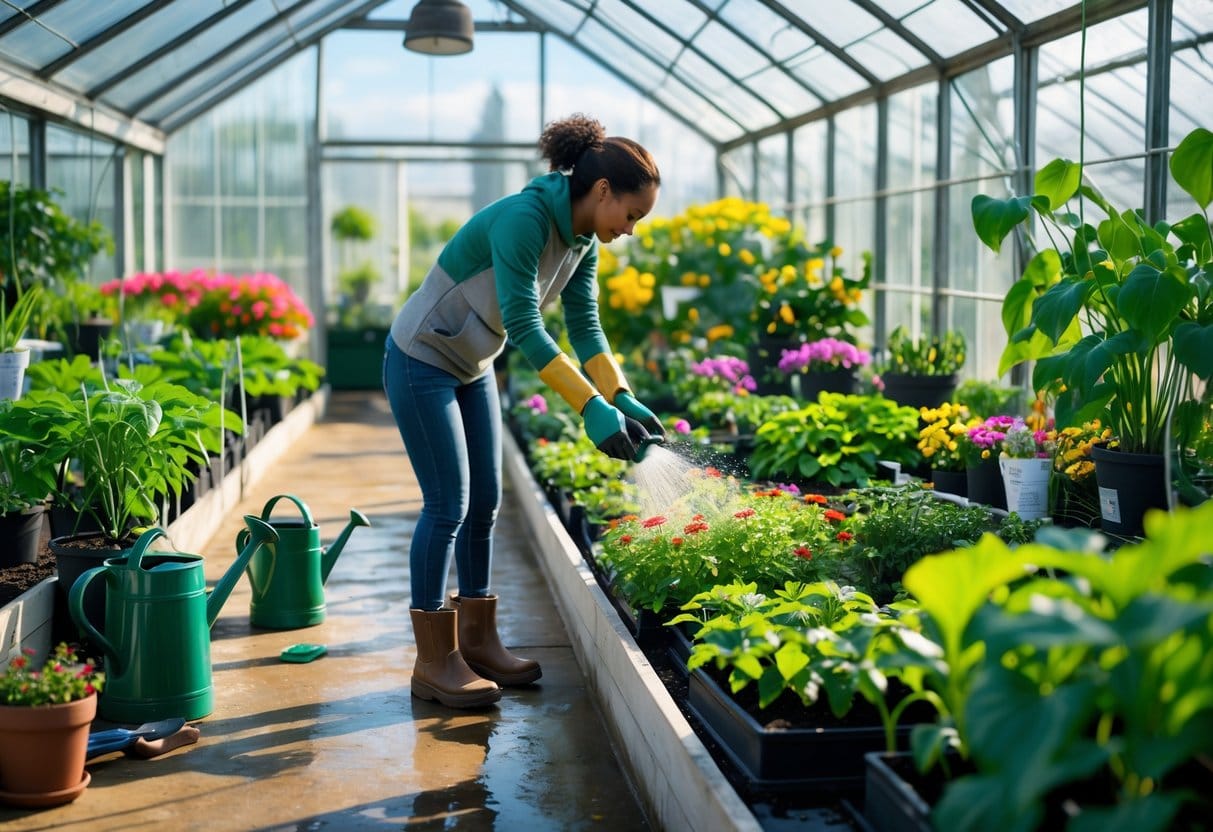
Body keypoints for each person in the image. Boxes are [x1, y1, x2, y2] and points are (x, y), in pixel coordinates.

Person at [383, 114, 666, 709]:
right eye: (632, 215)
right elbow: (524, 324)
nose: (630, 229)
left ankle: (477, 642)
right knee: (448, 504)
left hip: (471, 364)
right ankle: (433, 661)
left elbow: (584, 325)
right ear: (603, 191)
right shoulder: (524, 219)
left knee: (486, 501)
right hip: (421, 357)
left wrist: (619, 395)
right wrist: (588, 406)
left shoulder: (584, 240)